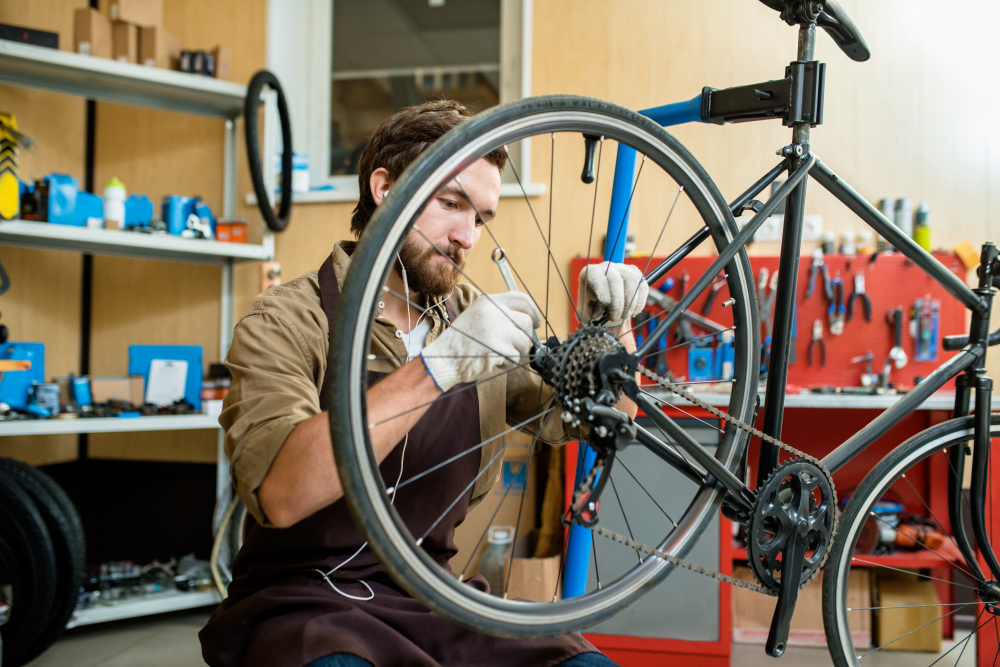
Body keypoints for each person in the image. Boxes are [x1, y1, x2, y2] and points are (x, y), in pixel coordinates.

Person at [199, 100, 648, 667]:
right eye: (451, 203)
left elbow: (601, 419)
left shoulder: (475, 314)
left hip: (437, 598)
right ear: (385, 188)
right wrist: (439, 366)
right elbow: (281, 494)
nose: (467, 236)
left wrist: (613, 337)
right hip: (302, 604)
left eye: (481, 218)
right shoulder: (287, 321)